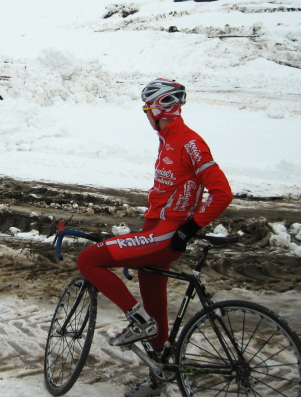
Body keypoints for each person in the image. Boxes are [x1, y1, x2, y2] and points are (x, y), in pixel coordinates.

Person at [76, 79, 234, 397]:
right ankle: (158, 375)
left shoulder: (189, 143)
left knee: (88, 259)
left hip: (166, 237)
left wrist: (190, 228)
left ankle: (139, 322)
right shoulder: (168, 139)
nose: (146, 115)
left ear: (160, 108)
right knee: (155, 302)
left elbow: (222, 193)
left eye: (147, 109)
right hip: (156, 233)